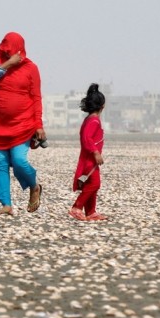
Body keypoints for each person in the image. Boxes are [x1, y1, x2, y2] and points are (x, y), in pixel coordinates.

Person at [0, 32, 45, 216]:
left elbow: (36, 97)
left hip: (22, 124)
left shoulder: (31, 68)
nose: (8, 54)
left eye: (11, 52)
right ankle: (6, 204)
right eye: (5, 51)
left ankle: (34, 186)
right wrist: (8, 64)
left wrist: (38, 125)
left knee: (19, 160)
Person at [69, 83, 107, 221]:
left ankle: (90, 211)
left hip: (89, 158)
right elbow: (87, 138)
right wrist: (96, 153)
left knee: (91, 184)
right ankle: (77, 207)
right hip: (90, 159)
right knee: (94, 184)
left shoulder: (90, 119)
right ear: (102, 106)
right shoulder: (94, 121)